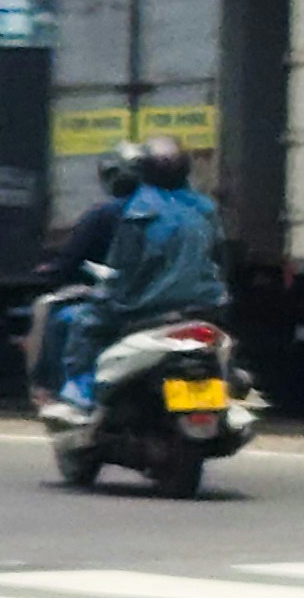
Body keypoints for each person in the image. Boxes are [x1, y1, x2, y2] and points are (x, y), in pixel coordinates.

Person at [47, 146, 227, 408]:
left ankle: (81, 396)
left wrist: (103, 293)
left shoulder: (139, 210)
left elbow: (125, 269)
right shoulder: (205, 209)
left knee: (82, 324)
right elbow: (220, 259)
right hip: (205, 306)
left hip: (147, 307)